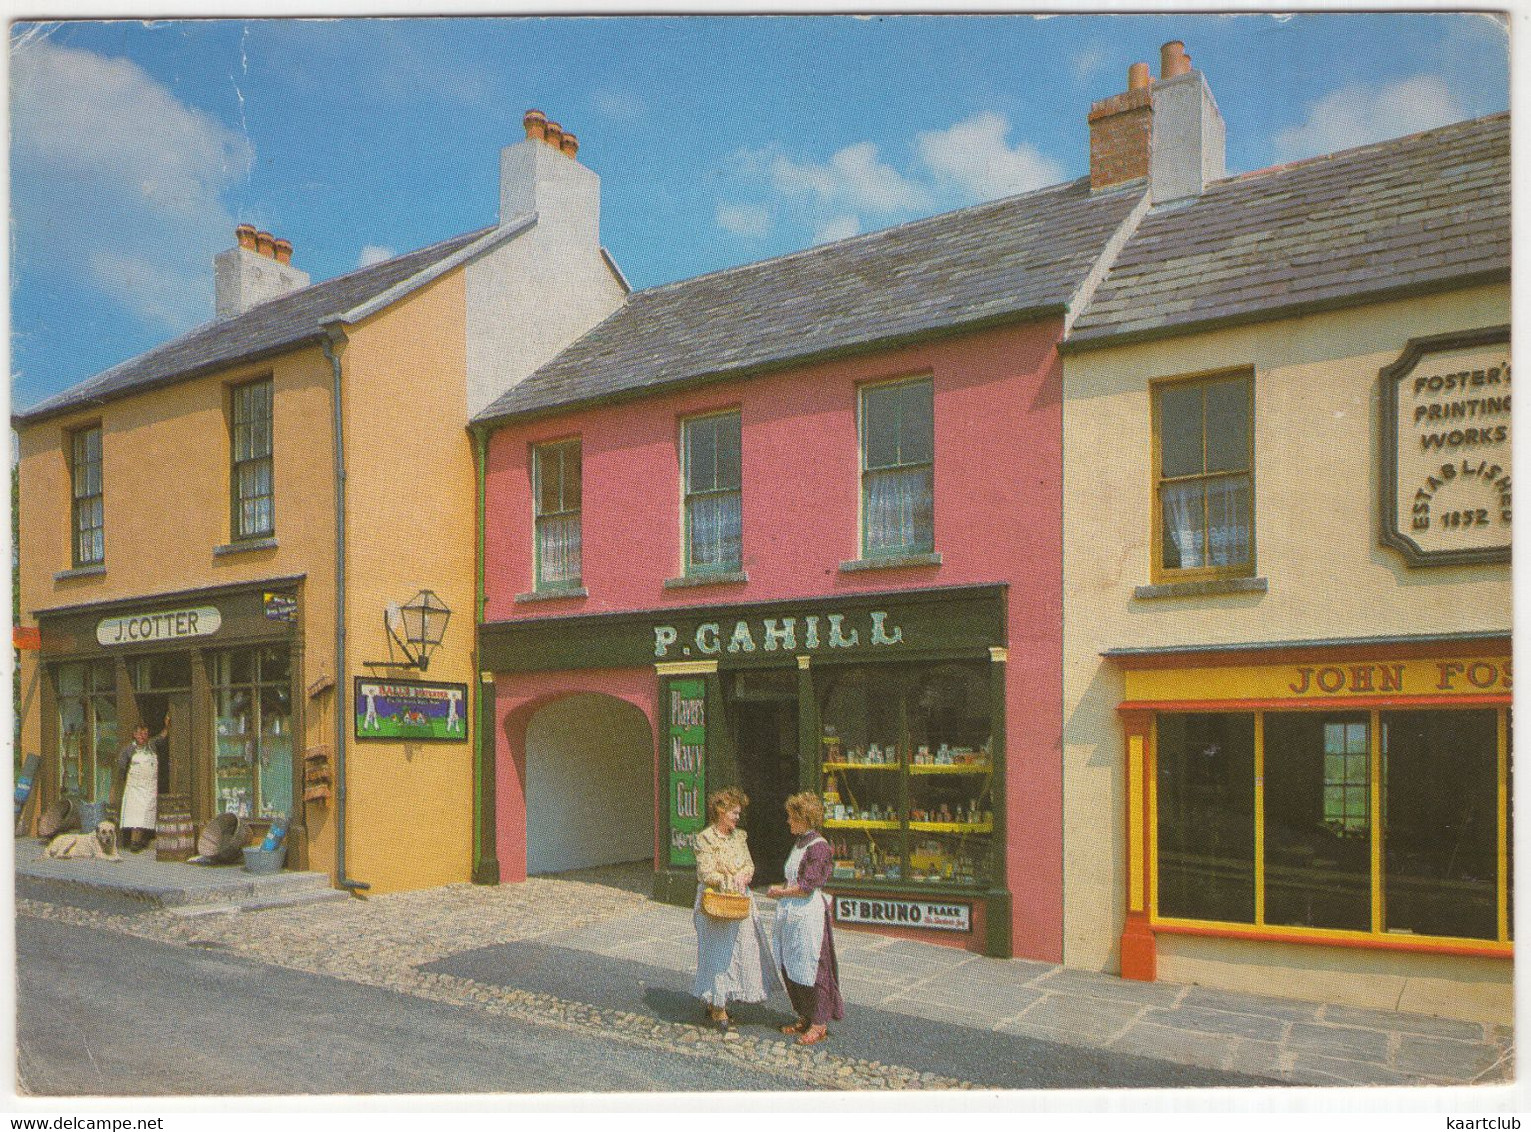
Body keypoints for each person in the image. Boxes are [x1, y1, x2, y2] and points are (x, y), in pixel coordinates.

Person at [692, 786, 778, 1031]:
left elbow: (749, 864)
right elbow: (705, 872)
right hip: (716, 903)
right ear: (720, 811)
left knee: (738, 953)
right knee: (717, 954)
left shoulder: (740, 837)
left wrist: (745, 875)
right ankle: (717, 1006)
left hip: (739, 901)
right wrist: (725, 879)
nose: (738, 818)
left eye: (739, 813)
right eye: (734, 813)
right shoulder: (705, 838)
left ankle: (724, 999)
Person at [768, 791, 844, 1046]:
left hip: (808, 913)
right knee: (792, 963)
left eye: (792, 817)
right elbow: (794, 878)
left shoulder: (819, 846)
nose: (788, 822)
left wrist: (780, 892)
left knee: (815, 967)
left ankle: (819, 1022)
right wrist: (783, 890)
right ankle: (805, 1014)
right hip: (792, 913)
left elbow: (807, 885)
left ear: (804, 818)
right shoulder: (800, 842)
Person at [113, 715, 168, 853]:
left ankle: (141, 839)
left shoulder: (152, 745)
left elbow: (163, 736)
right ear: (134, 734)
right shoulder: (128, 750)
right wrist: (117, 787)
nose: (142, 736)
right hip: (134, 788)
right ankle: (134, 842)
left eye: (145, 733)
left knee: (146, 814)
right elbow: (121, 768)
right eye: (139, 733)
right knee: (135, 815)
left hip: (149, 787)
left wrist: (167, 724)